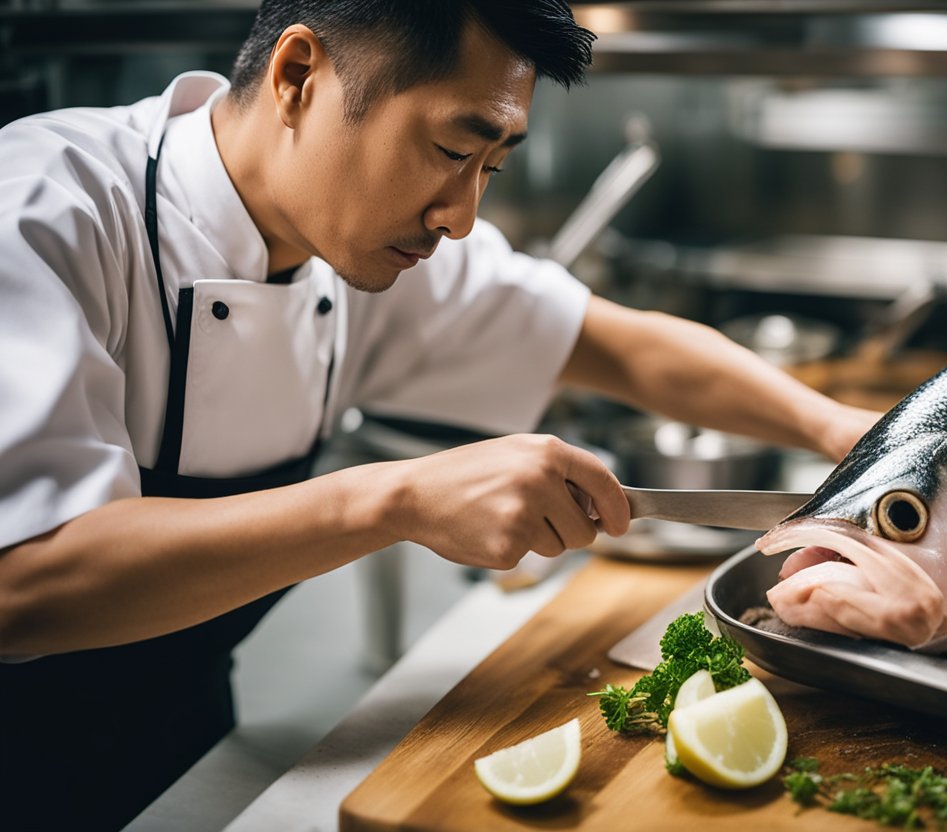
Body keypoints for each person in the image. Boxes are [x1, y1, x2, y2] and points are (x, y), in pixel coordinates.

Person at [0, 1, 875, 827]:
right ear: (299, 74)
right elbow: (25, 583)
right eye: (454, 149)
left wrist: (849, 435)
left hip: (184, 726)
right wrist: (394, 500)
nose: (461, 217)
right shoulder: (44, 207)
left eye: (491, 168)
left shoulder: (352, 241)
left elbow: (615, 345)